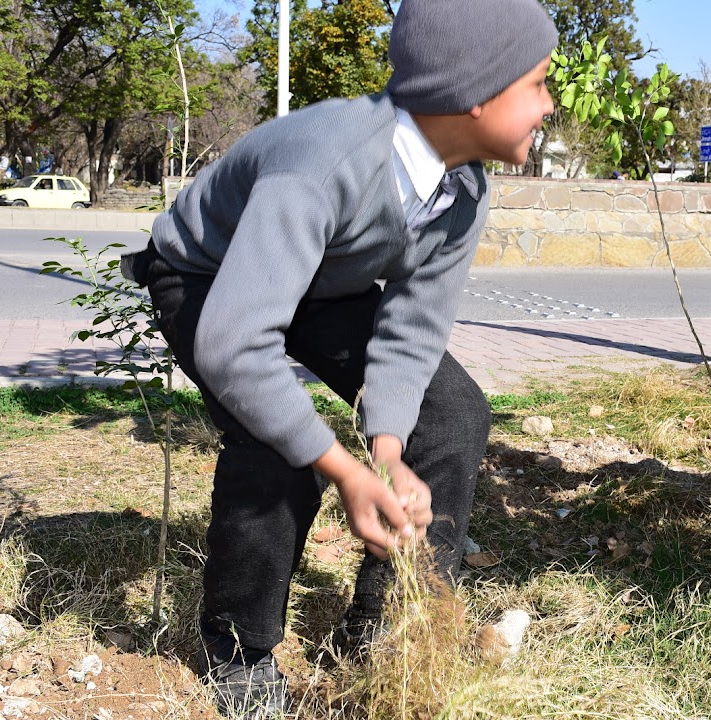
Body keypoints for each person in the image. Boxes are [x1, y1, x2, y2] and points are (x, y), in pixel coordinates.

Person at [121, 0, 558, 715]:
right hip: (207, 276)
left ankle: (387, 627)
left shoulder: (465, 185)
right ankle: (240, 651)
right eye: (538, 83)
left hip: (325, 284)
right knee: (277, 448)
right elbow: (236, 345)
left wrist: (386, 452)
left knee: (449, 414)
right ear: (476, 92)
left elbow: (413, 326)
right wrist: (343, 468)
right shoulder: (323, 161)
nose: (548, 105)